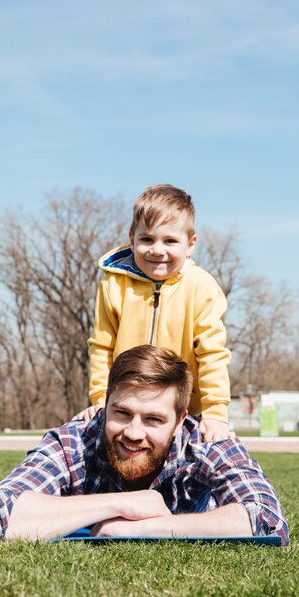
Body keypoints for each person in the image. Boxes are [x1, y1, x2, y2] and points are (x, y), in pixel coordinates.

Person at [0, 345, 289, 545]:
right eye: (122, 413)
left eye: (153, 419)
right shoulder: (73, 441)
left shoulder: (206, 443)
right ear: (105, 404)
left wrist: (143, 528)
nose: (133, 432)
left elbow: (266, 519)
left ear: (180, 421)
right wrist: (122, 504)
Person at [86, 183, 232, 441]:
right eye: (147, 239)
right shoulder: (113, 285)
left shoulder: (201, 287)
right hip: (126, 406)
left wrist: (215, 413)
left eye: (170, 240)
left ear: (190, 244)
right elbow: (102, 347)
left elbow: (212, 354)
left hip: (184, 408)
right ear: (132, 240)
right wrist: (100, 398)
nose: (157, 250)